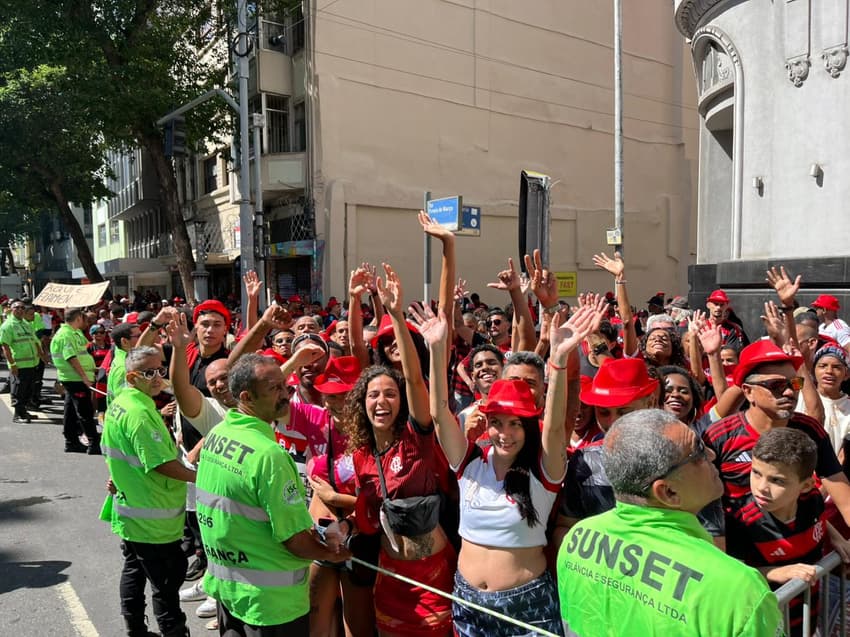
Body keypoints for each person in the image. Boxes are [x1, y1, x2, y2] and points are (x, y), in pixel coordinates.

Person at [426, 303, 594, 636]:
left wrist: (558, 362)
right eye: (496, 423)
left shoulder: (544, 474)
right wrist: (435, 350)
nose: (505, 433)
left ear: (530, 425)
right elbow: (438, 413)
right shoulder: (470, 464)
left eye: (516, 423)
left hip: (527, 606)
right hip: (468, 603)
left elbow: (557, 429)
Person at [557, 409, 783, 637]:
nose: (713, 455)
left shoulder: (577, 538)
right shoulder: (740, 590)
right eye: (698, 451)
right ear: (669, 492)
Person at [195, 354, 350, 635]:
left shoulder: (219, 435)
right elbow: (295, 541)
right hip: (271, 605)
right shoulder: (269, 456)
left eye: (284, 385)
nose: (285, 395)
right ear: (246, 396)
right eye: (274, 389)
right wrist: (333, 553)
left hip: (229, 591)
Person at [340, 263, 456, 637]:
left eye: (390, 394)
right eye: (373, 395)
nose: (381, 401)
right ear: (362, 403)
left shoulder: (417, 436)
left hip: (434, 577)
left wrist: (394, 313)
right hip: (390, 577)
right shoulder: (360, 453)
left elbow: (415, 379)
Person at [703, 340, 850, 543]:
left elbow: (844, 498)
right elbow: (706, 508)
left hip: (809, 561)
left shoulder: (810, 430)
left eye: (795, 384)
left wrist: (830, 532)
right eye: (776, 386)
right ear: (748, 392)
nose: (790, 392)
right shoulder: (718, 438)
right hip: (746, 565)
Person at [101, 346, 198, 637]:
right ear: (132, 377)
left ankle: (135, 631)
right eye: (148, 372)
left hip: (134, 512)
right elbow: (160, 464)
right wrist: (201, 477)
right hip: (154, 521)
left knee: (133, 571)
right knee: (166, 587)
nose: (158, 377)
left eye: (160, 368)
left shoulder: (125, 402)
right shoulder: (139, 412)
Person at [726, 427, 850, 636]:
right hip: (768, 623)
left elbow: (819, 520)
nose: (762, 487)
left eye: (777, 480)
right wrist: (776, 573)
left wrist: (836, 537)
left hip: (808, 613)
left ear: (806, 485)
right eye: (756, 473)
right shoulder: (740, 520)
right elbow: (733, 573)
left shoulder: (812, 501)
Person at [51, 308, 101, 454]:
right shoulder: (66, 335)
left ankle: (71, 441)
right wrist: (84, 378)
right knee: (85, 411)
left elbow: (83, 352)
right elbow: (71, 358)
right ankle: (93, 443)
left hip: (77, 377)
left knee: (71, 411)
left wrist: (93, 368)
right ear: (78, 318)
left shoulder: (75, 333)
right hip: (76, 378)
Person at [794, 345, 850, 457]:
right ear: (814, 370)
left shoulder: (848, 406)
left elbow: (843, 455)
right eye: (822, 366)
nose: (829, 371)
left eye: (837, 367)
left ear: (846, 374)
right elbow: (797, 372)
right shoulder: (798, 392)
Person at [0, 300, 45, 422]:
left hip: (31, 364)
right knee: (18, 390)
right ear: (11, 309)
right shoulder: (7, 326)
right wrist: (12, 364)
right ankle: (18, 415)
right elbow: (5, 347)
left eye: (22, 308)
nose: (20, 310)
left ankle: (24, 412)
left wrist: (42, 355)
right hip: (18, 365)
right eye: (17, 308)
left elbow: (34, 341)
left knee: (28, 390)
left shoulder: (26, 324)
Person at [108, 322, 142, 408]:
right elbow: (124, 402)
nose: (143, 338)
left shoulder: (121, 355)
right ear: (124, 341)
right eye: (138, 336)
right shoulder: (125, 367)